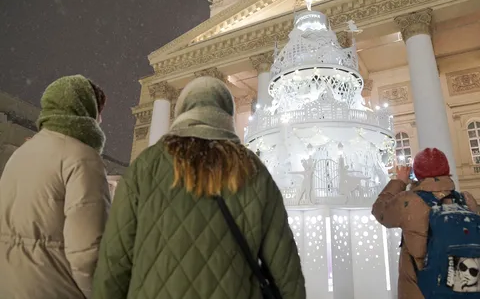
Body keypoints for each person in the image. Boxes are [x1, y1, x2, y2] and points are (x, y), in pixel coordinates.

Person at [92, 77, 306, 299]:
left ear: (182, 110)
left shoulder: (146, 166)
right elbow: (285, 267)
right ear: (227, 114)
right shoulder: (253, 169)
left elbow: (114, 262)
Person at [0, 75, 111, 299]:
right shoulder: (82, 157)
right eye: (98, 113)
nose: (100, 121)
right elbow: (87, 253)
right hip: (56, 289)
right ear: (86, 110)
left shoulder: (21, 153)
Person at [372, 148, 478, 299]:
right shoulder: (466, 199)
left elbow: (379, 211)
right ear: (447, 171)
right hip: (462, 285)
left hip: (420, 290)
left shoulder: (408, 201)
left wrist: (400, 181)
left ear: (417, 173)